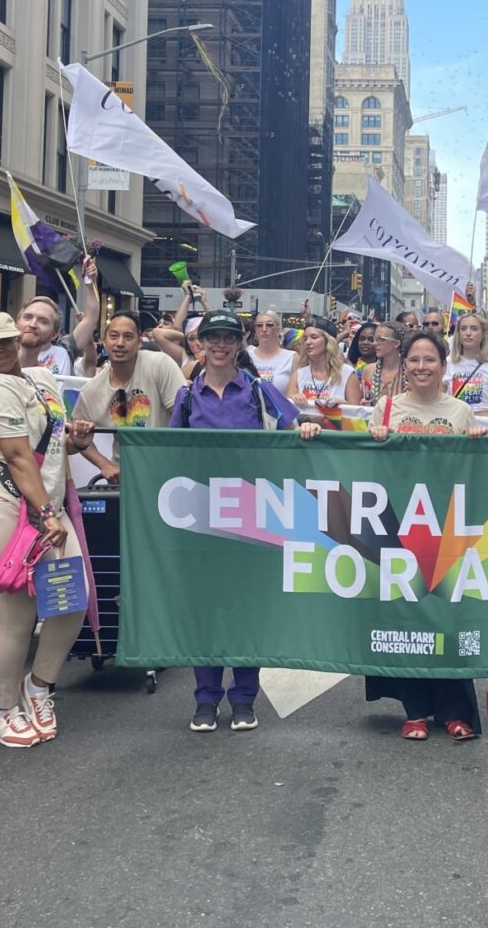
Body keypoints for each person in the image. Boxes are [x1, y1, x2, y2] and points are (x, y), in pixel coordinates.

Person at [168, 309, 318, 731]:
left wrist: (305, 429)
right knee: (206, 609)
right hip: (201, 517)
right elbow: (168, 453)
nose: (220, 345)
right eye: (212, 337)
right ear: (200, 344)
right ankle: (205, 699)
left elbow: (294, 426)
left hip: (253, 515)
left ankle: (244, 698)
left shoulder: (258, 390)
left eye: (228, 338)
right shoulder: (187, 397)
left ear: (240, 344)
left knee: (247, 608)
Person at [0, 312, 96, 748]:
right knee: (17, 616)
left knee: (72, 602)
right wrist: (48, 513)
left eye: (4, 340)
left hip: (46, 509)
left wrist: (74, 440)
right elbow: (18, 458)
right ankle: (2, 711)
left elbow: (51, 444)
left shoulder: (42, 378)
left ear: (16, 340)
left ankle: (38, 688)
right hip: (4, 509)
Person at [365, 331, 486, 739]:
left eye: (430, 359)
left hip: (447, 529)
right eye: (414, 359)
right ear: (405, 365)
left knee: (448, 617)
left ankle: (455, 711)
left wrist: (476, 443)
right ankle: (414, 710)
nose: (421, 367)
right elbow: (368, 469)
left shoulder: (460, 412)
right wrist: (374, 440)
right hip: (400, 528)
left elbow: (472, 472)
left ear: (443, 366)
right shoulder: (385, 409)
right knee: (407, 618)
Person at [74, 310, 188, 480]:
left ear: (139, 342)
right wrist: (104, 464)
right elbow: (74, 436)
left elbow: (184, 416)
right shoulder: (91, 391)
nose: (120, 343)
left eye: (128, 337)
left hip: (169, 471)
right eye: (114, 336)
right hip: (126, 478)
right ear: (104, 342)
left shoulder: (160, 364)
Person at [285, 323, 364, 409]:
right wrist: (295, 398)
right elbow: (288, 409)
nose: (308, 342)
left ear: (328, 341)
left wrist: (343, 404)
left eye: (314, 337)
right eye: (305, 339)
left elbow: (356, 411)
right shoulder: (298, 374)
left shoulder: (347, 373)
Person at [448, 312, 488, 413]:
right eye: (463, 329)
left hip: (486, 422)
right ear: (458, 333)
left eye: (474, 329)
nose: (468, 333)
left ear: (483, 334)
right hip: (456, 421)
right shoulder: (447, 364)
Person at [246, 311, 297, 394]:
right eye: (259, 325)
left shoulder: (292, 357)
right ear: (255, 330)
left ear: (278, 329)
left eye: (269, 325)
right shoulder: (246, 355)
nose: (264, 329)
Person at [360, 323, 407, 403]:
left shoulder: (408, 372)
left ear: (396, 343)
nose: (374, 343)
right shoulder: (369, 370)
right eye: (375, 339)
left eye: (381, 339)